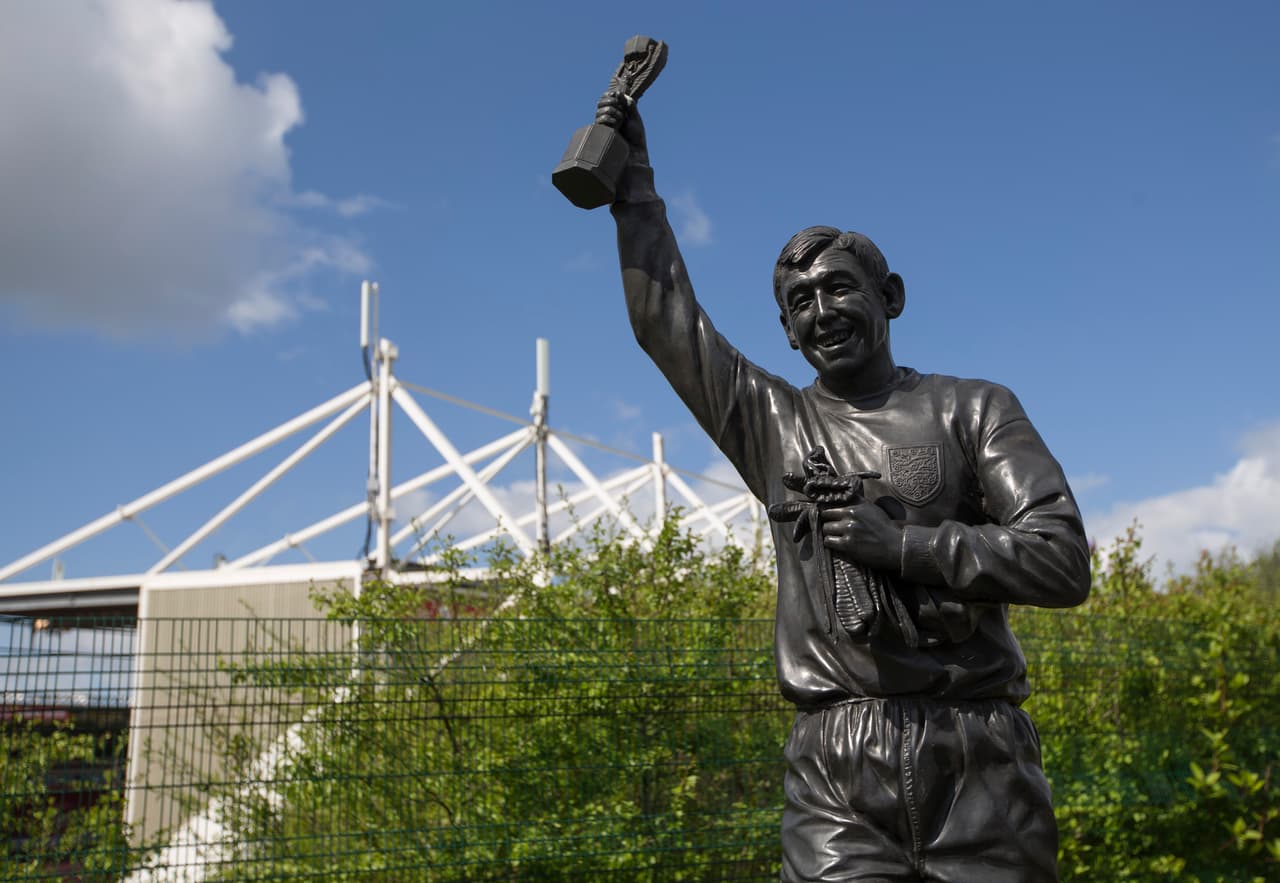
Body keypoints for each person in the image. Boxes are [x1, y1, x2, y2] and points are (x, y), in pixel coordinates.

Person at [596, 90, 1091, 882]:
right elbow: (667, 322)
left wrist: (906, 545)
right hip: (839, 769)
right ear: (786, 332)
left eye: (838, 288)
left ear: (889, 297)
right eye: (799, 303)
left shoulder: (975, 408)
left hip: (981, 759)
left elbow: (1061, 560)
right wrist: (636, 191)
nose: (821, 311)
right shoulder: (774, 425)